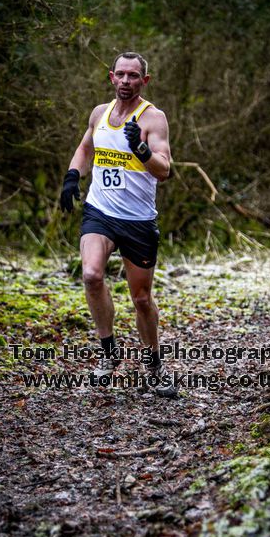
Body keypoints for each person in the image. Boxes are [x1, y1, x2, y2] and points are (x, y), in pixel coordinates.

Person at [60, 51, 177, 398]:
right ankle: (108, 356)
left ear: (144, 80)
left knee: (141, 299)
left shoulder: (153, 118)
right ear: (111, 77)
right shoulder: (100, 113)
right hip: (100, 211)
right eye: (121, 75)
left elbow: (164, 169)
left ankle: (154, 365)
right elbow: (85, 148)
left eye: (133, 76)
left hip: (138, 220)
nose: (126, 81)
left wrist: (140, 149)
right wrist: (71, 177)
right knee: (92, 275)